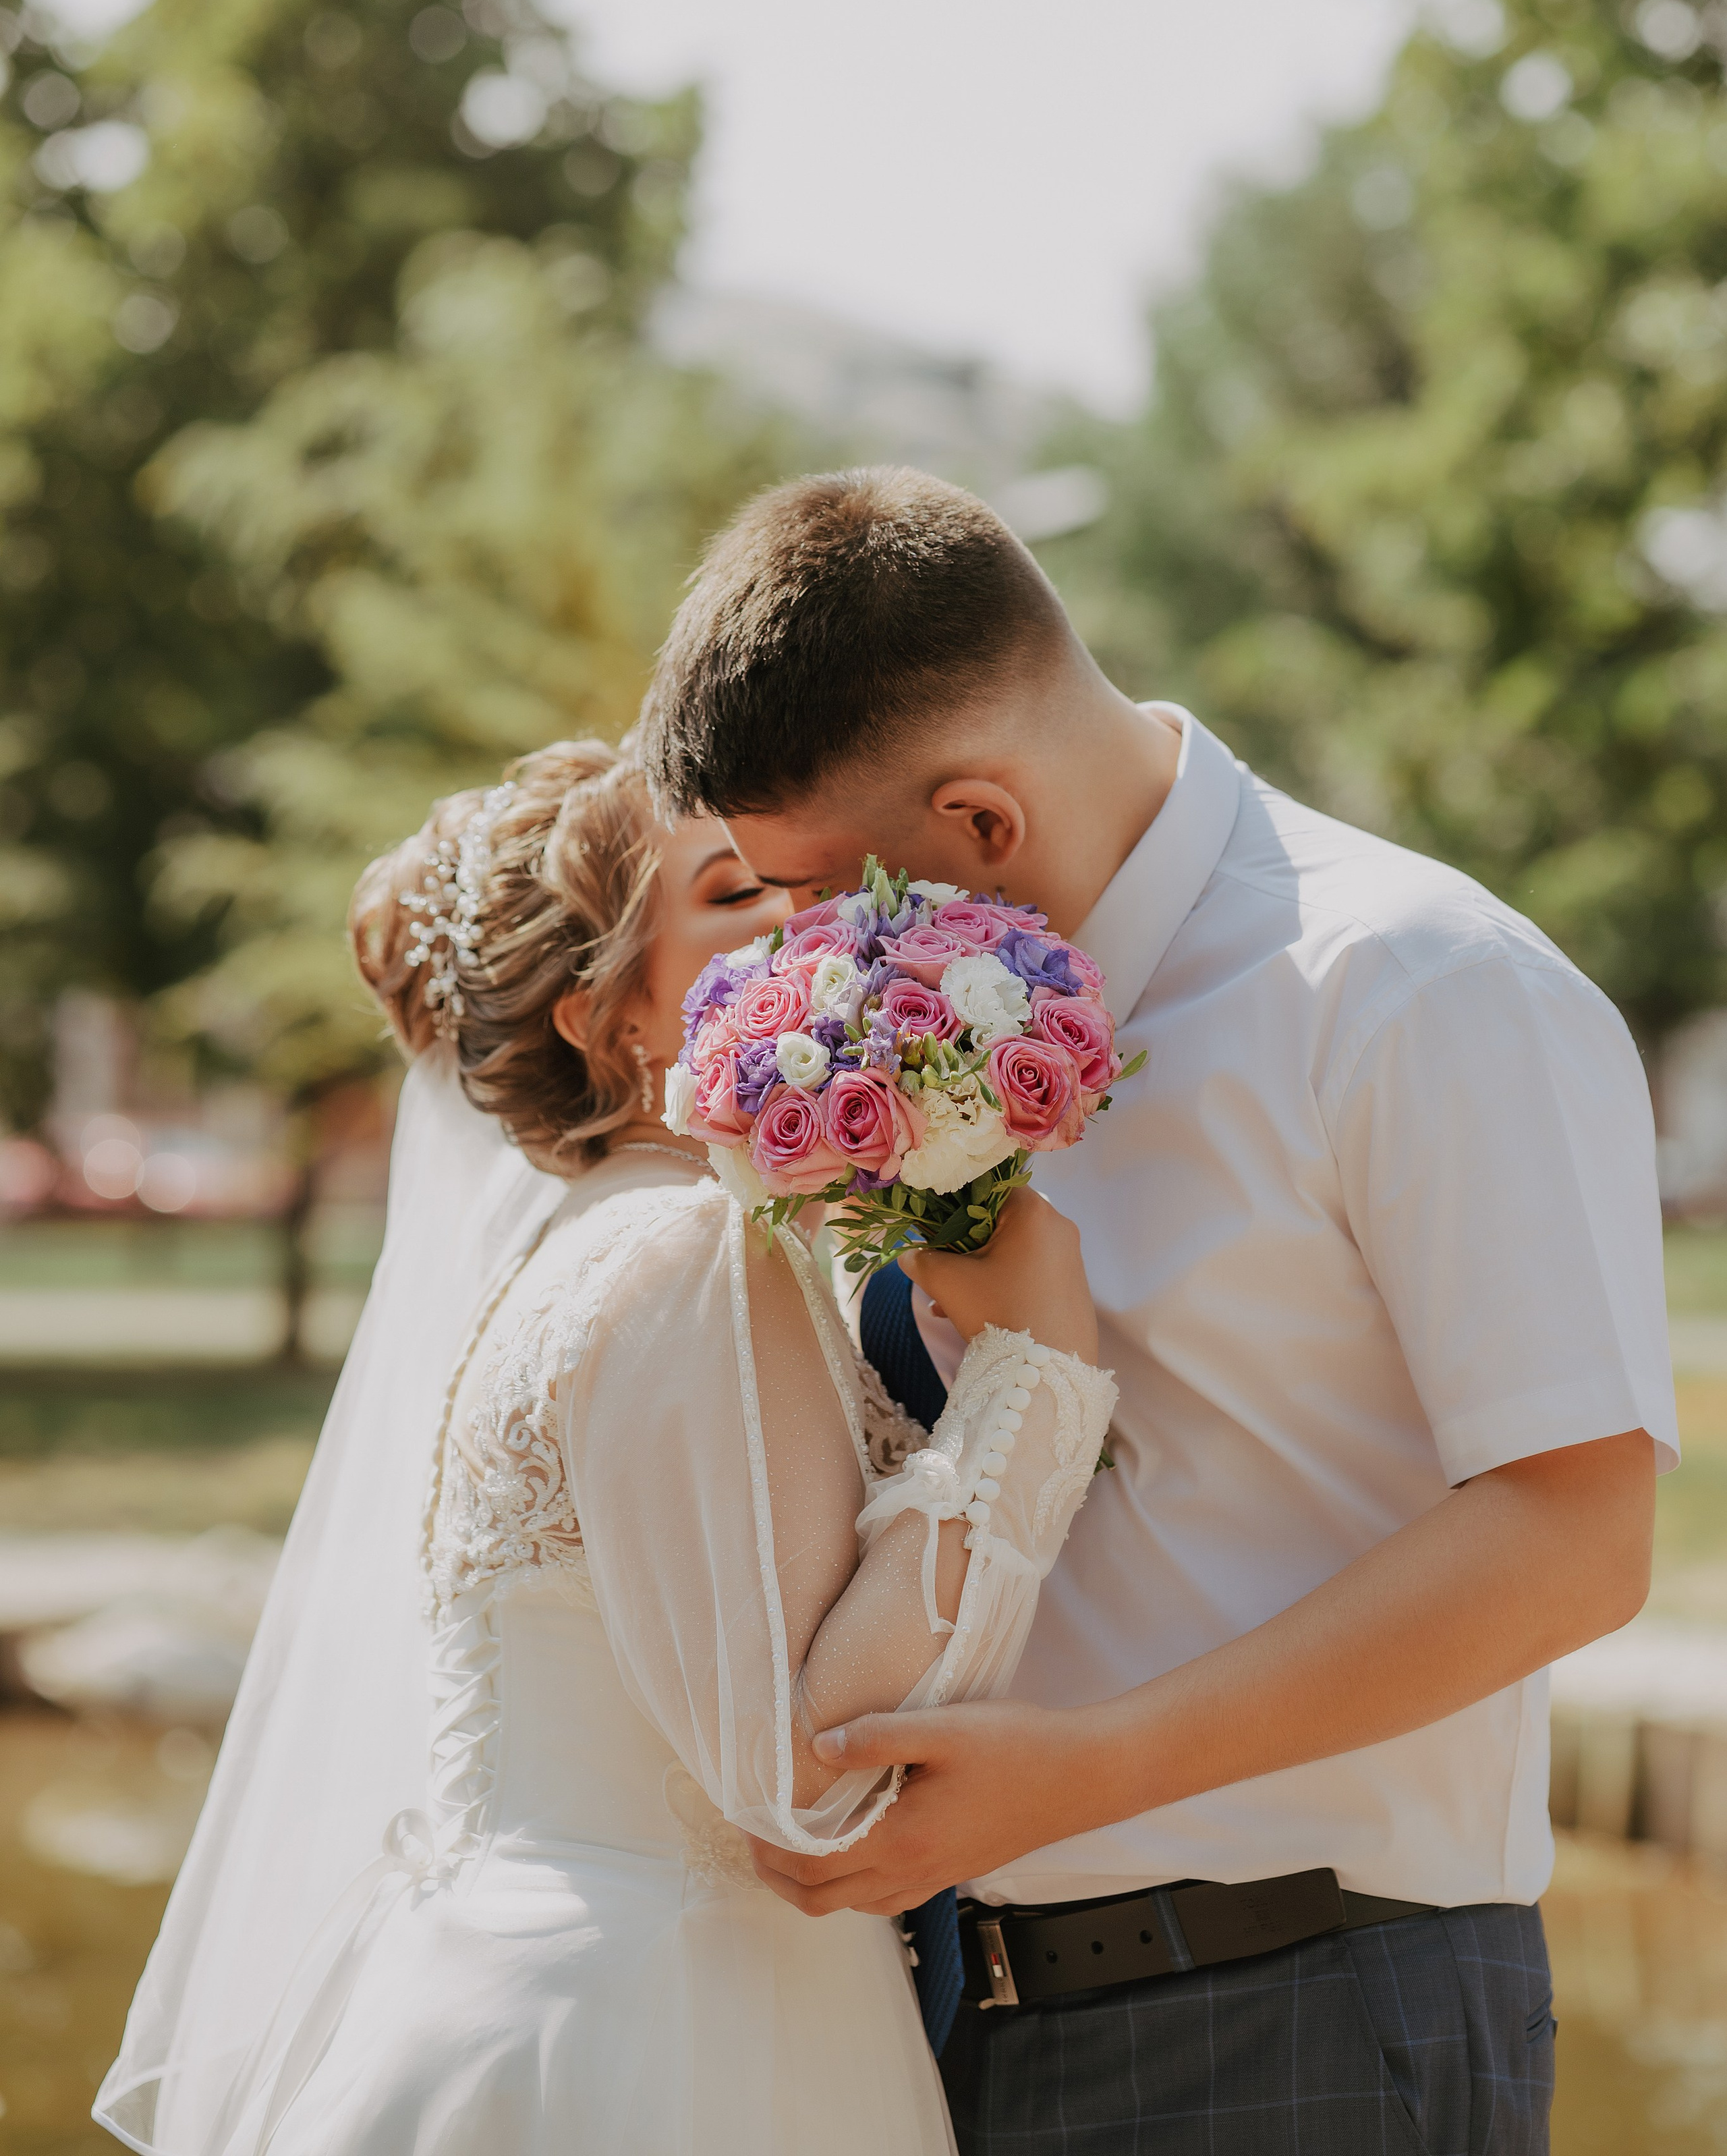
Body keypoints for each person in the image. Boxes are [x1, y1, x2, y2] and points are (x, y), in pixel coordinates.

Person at [637, 468, 1678, 2156]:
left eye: (824, 893)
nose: (805, 951)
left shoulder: (1409, 985)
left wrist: (1095, 1766)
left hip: (1301, 2012)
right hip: (926, 2030)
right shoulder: (888, 1067)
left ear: (978, 824)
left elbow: (1577, 1535)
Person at [96, 738, 1117, 2156]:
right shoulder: (678, 1254)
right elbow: (808, 1772)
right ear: (608, 1020)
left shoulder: (601, 1245)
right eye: (727, 895)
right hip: (667, 2033)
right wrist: (1040, 1377)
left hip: (555, 1980)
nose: (794, 921)